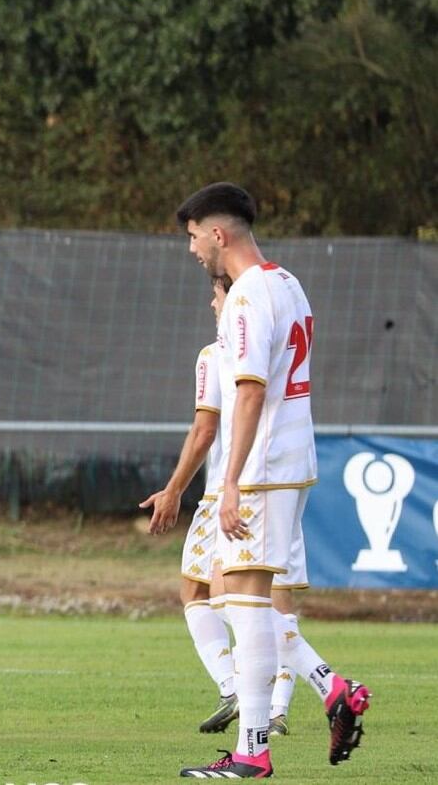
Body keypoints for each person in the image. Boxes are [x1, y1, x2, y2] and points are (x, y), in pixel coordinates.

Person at [174, 183, 370, 779]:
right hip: (286, 462)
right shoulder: (289, 283)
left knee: (246, 604)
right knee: (240, 600)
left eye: (191, 238)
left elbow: (252, 389)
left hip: (260, 470)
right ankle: (329, 690)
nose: (192, 252)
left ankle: (253, 751)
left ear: (217, 233)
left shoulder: (248, 296)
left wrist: (229, 481)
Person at [140, 274, 239, 734]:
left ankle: (243, 687)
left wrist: (175, 488)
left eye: (217, 294)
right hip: (278, 480)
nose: (210, 303)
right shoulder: (276, 347)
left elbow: (205, 429)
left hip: (228, 488)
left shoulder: (216, 354)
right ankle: (264, 698)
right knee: (254, 597)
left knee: (207, 593)